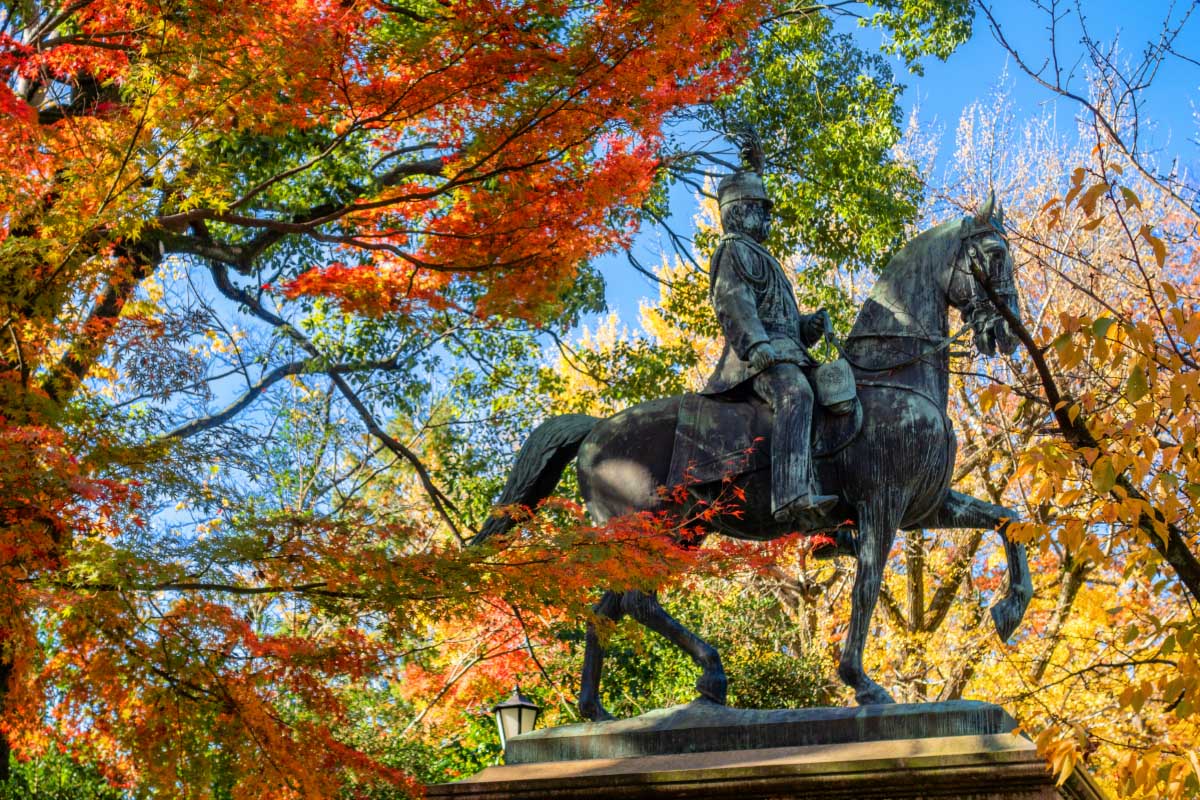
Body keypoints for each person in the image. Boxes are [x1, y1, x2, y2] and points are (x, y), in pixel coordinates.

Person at [701, 169, 837, 525]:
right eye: (761, 210)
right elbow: (733, 302)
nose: (767, 218)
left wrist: (810, 325)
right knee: (797, 395)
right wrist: (756, 343)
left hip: (787, 354)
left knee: (835, 401)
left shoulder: (763, 258)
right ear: (740, 210)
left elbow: (785, 322)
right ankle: (792, 495)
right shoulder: (732, 250)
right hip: (754, 362)